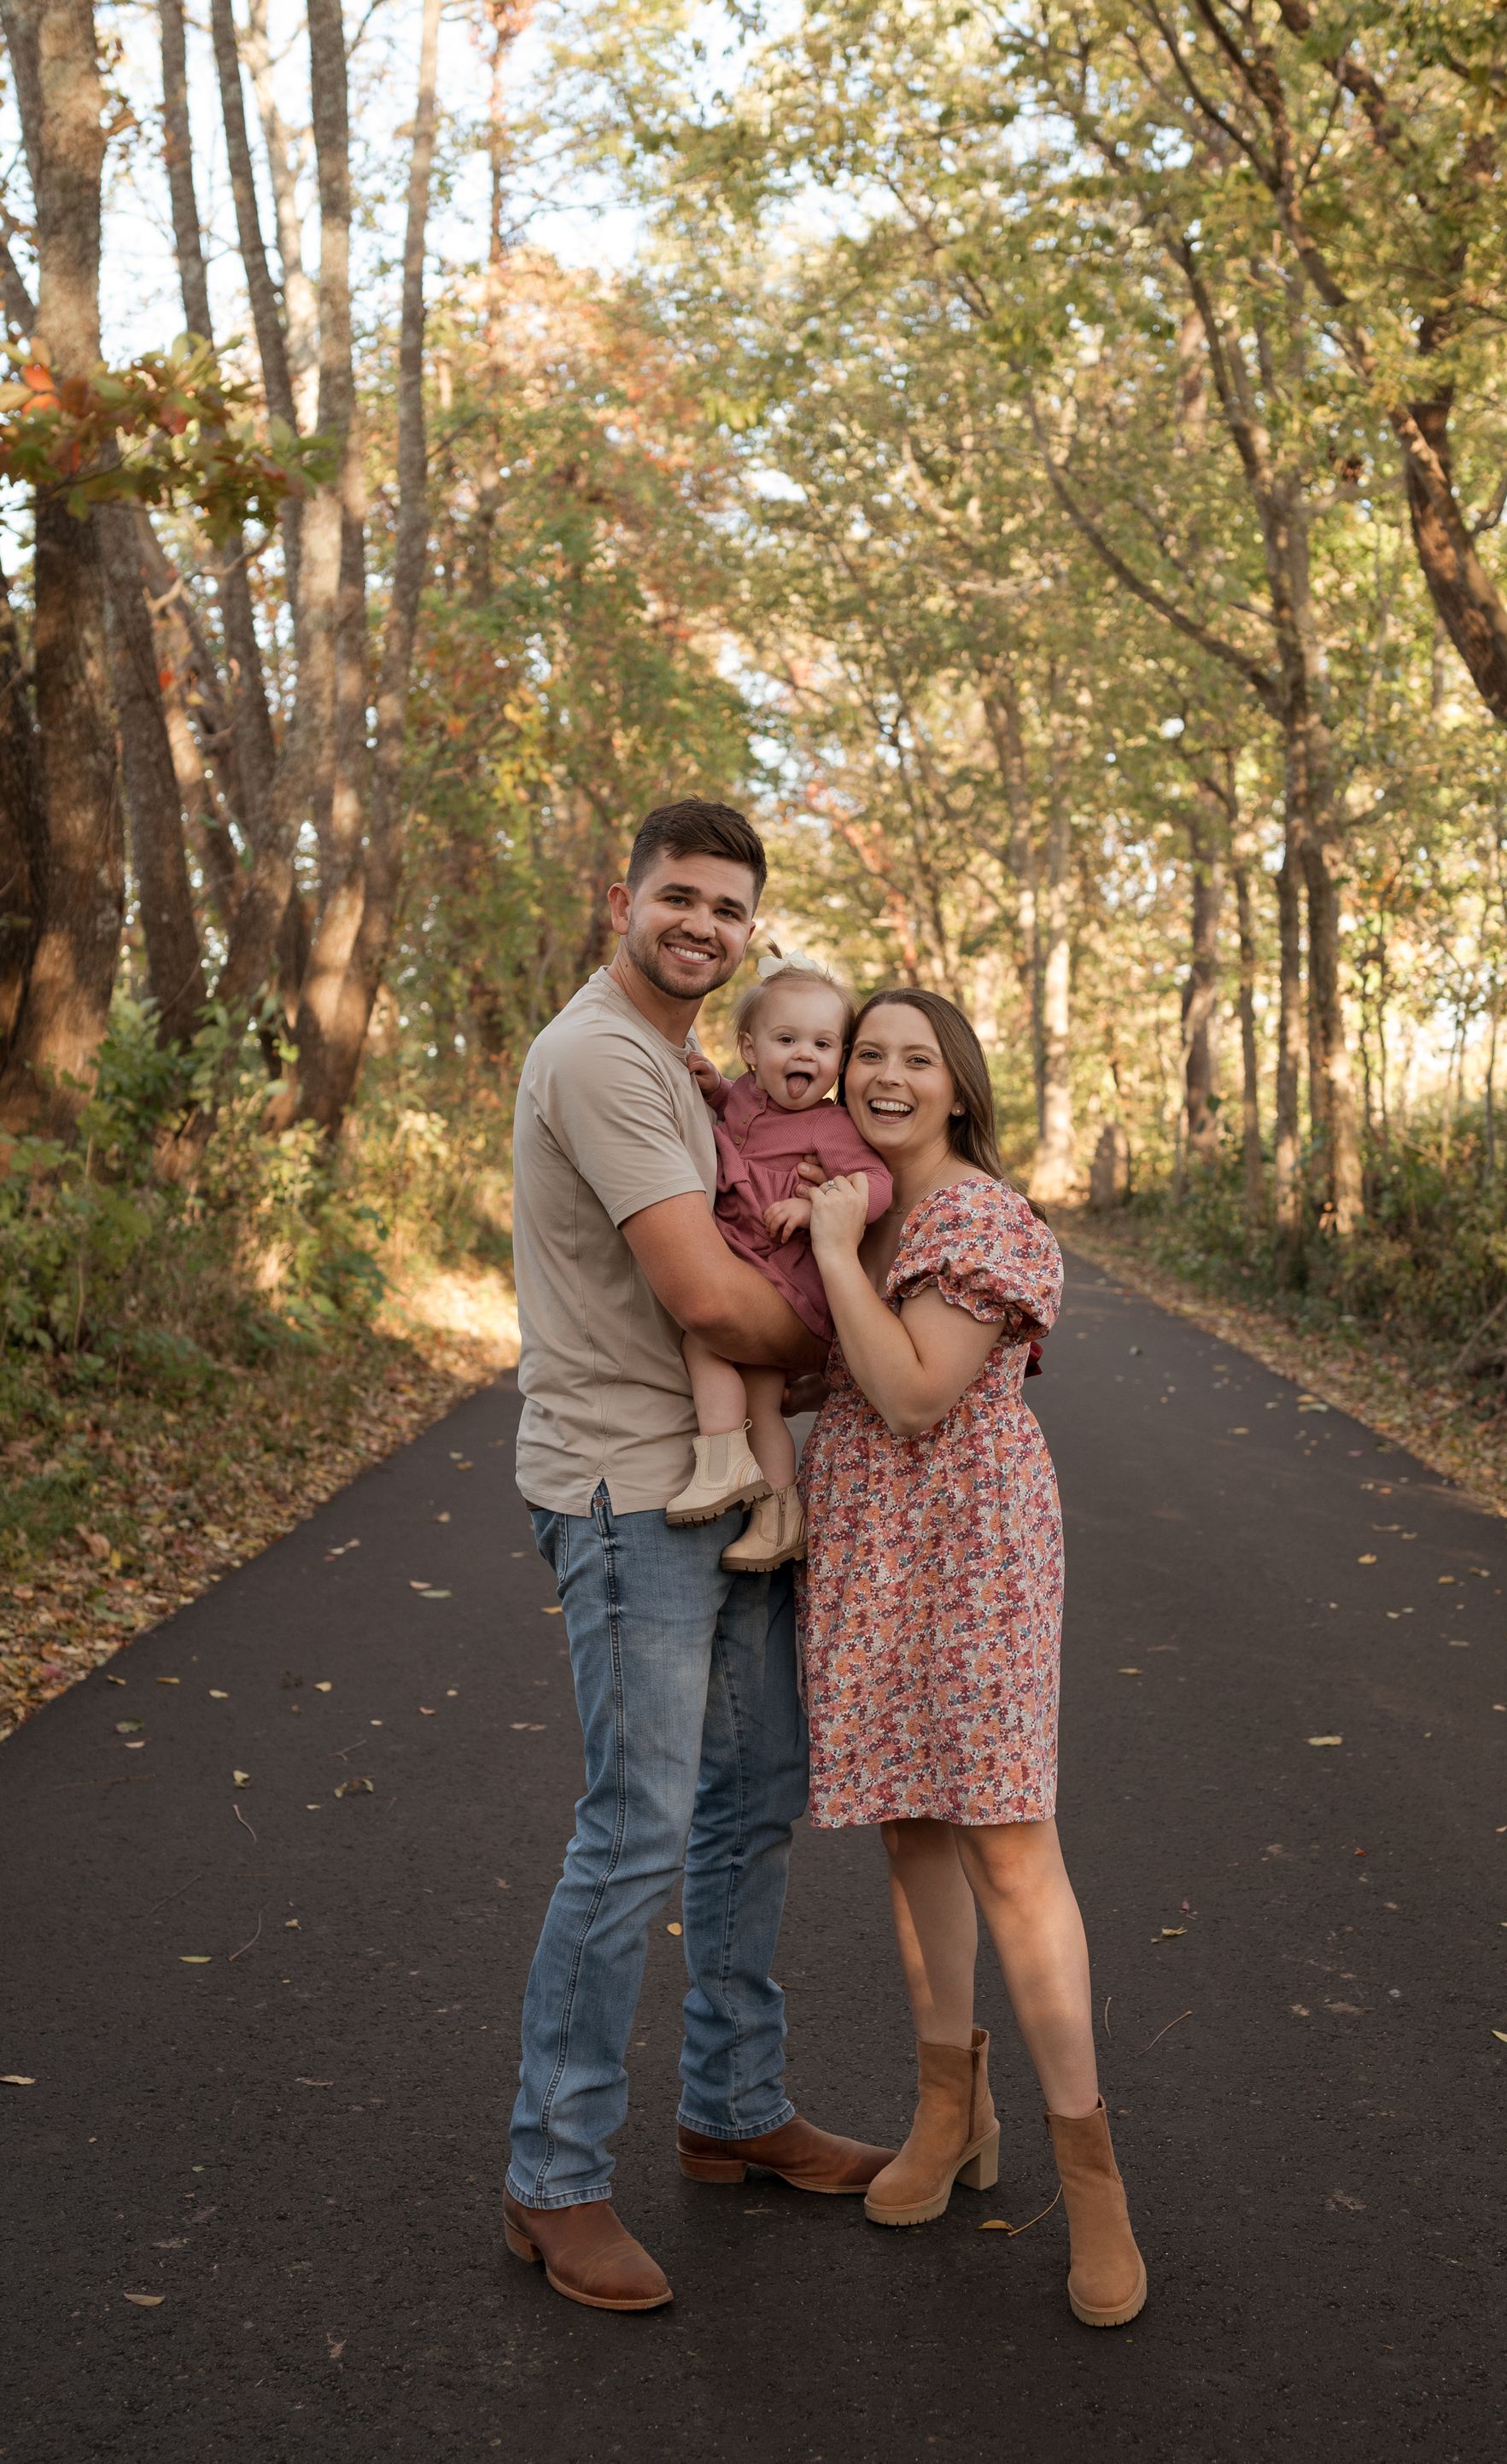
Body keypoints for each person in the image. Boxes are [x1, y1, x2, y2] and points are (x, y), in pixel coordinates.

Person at [503, 798, 893, 2315]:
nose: (702, 925)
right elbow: (715, 1302)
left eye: (729, 909)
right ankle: (553, 2177)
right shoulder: (603, 1056)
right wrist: (869, 1354)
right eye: (681, 896)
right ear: (627, 899)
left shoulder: (692, 1066)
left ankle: (734, 2112)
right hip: (626, 1489)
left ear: (748, 932)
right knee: (638, 1826)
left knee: (754, 1799)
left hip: (723, 1486)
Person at [797, 988, 1148, 2329]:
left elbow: (913, 1391)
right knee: (906, 1829)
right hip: (874, 1547)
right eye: (866, 1055)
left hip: (973, 1551)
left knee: (1009, 1844)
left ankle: (1092, 2174)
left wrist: (833, 1250)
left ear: (959, 1087)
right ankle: (950, 2110)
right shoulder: (860, 1209)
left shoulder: (979, 1219)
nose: (885, 1076)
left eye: (913, 1059)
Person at [667, 954, 893, 1573]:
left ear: (839, 1062)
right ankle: (780, 1517)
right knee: (763, 1401)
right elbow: (728, 1110)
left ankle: (721, 1461)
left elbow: (877, 1184)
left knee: (703, 1340)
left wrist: (814, 1203)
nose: (804, 1055)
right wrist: (712, 1089)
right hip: (748, 1260)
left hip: (786, 1275)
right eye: (787, 1039)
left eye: (822, 1044)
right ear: (750, 1048)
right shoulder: (740, 1094)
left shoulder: (832, 1125)